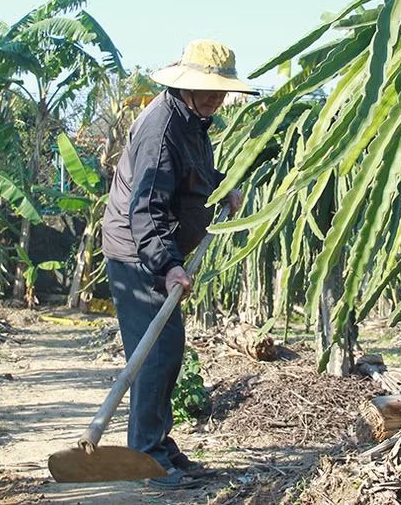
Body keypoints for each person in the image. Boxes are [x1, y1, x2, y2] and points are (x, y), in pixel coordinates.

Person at [100, 39, 258, 489]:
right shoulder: (162, 127)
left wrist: (221, 186)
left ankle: (158, 446)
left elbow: (191, 176)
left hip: (156, 249)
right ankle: (146, 456)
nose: (214, 97)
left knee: (166, 351)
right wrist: (167, 264)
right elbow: (145, 207)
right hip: (137, 251)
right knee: (155, 352)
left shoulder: (192, 120)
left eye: (220, 89)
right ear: (185, 84)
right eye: (206, 88)